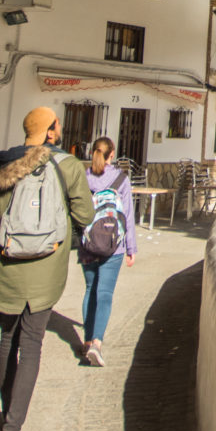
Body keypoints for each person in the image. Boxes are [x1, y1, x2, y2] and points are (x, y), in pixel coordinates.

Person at [0, 106, 90, 431]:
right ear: (51, 132)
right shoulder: (67, 166)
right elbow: (85, 215)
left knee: (8, 339)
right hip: (46, 270)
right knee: (33, 345)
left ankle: (8, 414)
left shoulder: (4, 167)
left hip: (6, 269)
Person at [77, 136, 137, 368]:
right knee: (105, 294)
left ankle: (87, 339)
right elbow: (128, 216)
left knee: (90, 289)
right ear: (112, 154)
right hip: (115, 245)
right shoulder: (121, 179)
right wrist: (131, 247)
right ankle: (97, 344)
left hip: (88, 243)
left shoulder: (84, 178)